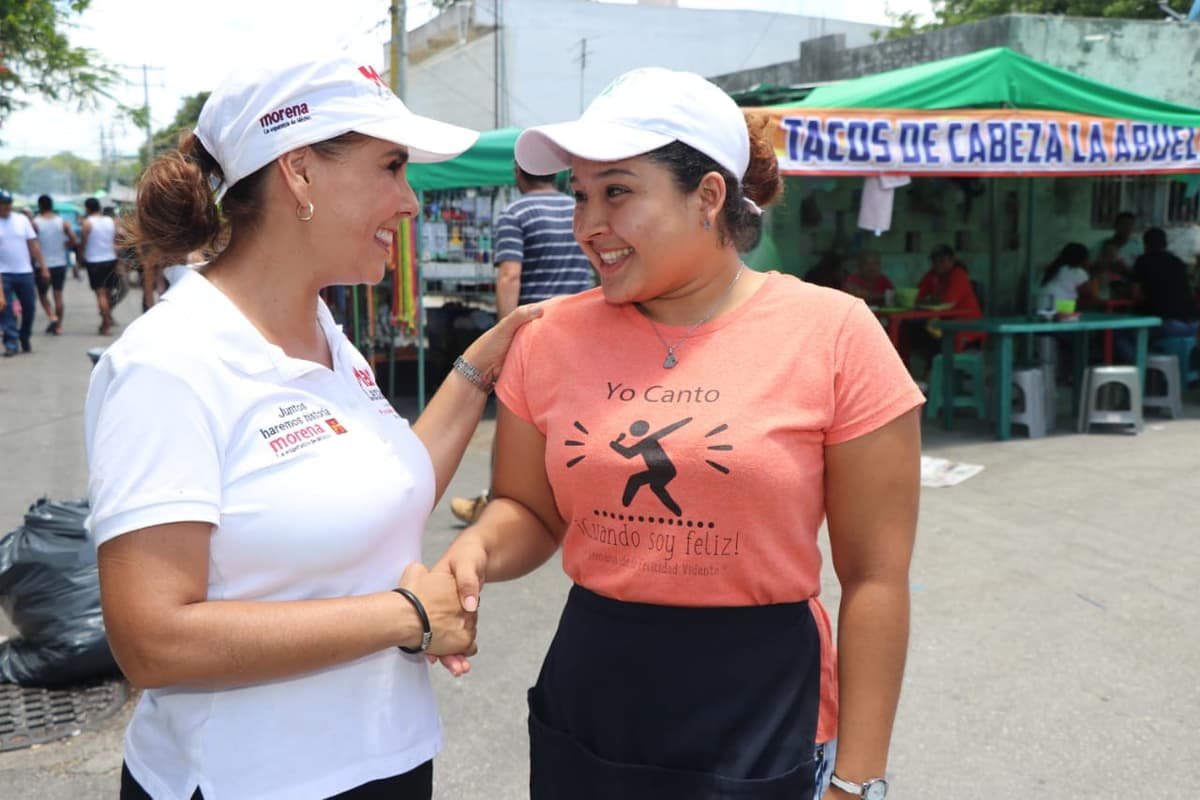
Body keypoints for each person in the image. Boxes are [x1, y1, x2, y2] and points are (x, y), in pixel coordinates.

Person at [433, 67, 922, 800]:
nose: (589, 224)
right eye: (580, 196)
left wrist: (858, 778)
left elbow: (875, 579)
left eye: (618, 192)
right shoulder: (550, 336)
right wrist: (473, 548)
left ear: (709, 196)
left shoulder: (834, 332)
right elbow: (529, 511)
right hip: (595, 686)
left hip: (760, 696)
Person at [83, 53, 540, 800]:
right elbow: (153, 640)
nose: (410, 201)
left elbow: (384, 488)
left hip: (385, 761)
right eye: (391, 166)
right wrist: (408, 615)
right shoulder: (169, 364)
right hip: (253, 782)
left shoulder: (322, 328)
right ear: (299, 173)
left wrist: (482, 364)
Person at [450, 163, 594, 525]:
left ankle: (498, 502)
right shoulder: (576, 207)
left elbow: (509, 274)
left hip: (537, 330)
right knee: (574, 419)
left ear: (518, 172)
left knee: (517, 421)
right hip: (583, 326)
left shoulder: (515, 211)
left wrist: (503, 331)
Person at [1115, 227, 1199, 361]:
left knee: (1121, 331)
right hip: (1193, 324)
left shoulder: (1143, 261)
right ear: (1165, 244)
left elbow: (1135, 294)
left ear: (1145, 244)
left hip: (1168, 325)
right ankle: (1157, 367)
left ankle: (1140, 371)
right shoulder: (1177, 262)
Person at [0, 189, 50, 356]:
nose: (6, 207)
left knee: (29, 307)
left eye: (8, 204)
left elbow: (33, 245)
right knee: (5, 309)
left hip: (24, 271)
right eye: (3, 204)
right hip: (3, 274)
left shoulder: (22, 220)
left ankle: (24, 335)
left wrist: (43, 267)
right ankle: (11, 342)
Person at [32, 194, 79, 335]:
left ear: (40, 206)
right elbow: (73, 239)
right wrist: (65, 244)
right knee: (58, 295)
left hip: (42, 265)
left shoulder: (35, 223)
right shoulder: (62, 222)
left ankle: (52, 315)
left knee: (42, 294)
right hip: (60, 263)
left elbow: (32, 243)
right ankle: (58, 326)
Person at [80, 196, 121, 334]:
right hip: (110, 259)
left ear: (87, 208)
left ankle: (106, 324)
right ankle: (106, 320)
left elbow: (84, 243)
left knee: (101, 294)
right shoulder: (110, 221)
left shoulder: (87, 223)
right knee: (108, 292)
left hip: (94, 261)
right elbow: (117, 240)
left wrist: (80, 258)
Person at [1039, 242, 1097, 310]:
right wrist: (1089, 270)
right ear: (1083, 259)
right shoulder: (1077, 272)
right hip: (1058, 310)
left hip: (1040, 308)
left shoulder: (1054, 268)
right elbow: (1089, 295)